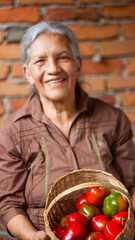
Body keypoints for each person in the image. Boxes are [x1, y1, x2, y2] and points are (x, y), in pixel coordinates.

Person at [0, 21, 135, 240]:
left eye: (63, 57)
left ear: (78, 65)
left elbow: (132, 185)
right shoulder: (15, 130)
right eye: (40, 61)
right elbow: (8, 204)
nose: (53, 69)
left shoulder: (112, 119)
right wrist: (34, 236)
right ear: (28, 73)